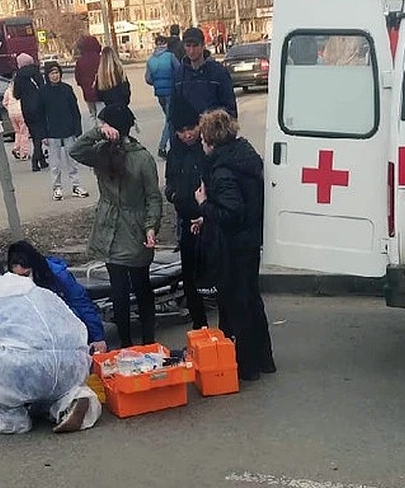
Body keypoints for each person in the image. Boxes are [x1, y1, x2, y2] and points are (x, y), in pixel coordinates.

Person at [0, 268, 102, 434]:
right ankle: (69, 400)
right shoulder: (39, 292)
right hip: (72, 366)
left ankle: (11, 419)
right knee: (49, 383)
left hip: (25, 368)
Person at [69, 104, 162, 348]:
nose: (100, 127)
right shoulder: (101, 151)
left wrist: (151, 226)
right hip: (109, 228)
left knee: (141, 287)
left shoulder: (142, 158)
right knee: (119, 291)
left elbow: (153, 196)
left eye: (103, 123)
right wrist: (99, 133)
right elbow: (75, 150)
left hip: (134, 229)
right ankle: (126, 343)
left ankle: (149, 340)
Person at [194, 109, 274, 381]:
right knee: (251, 299)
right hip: (249, 240)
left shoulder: (223, 169)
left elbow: (230, 212)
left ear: (211, 140)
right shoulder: (245, 157)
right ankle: (264, 360)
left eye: (203, 139)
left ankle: (247, 365)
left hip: (232, 245)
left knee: (237, 304)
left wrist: (204, 205)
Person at [5, 241, 106, 352]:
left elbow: (81, 303)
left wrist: (98, 338)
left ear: (35, 267)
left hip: (63, 321)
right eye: (18, 276)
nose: (23, 280)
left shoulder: (58, 275)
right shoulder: (10, 281)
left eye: (26, 274)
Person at [163, 95, 210, 330]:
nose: (187, 135)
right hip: (186, 220)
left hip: (209, 219)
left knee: (213, 273)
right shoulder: (175, 152)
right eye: (181, 131)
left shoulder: (207, 148)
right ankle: (198, 320)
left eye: (190, 129)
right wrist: (172, 195)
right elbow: (169, 182)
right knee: (190, 275)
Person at [167, 27, 237, 142]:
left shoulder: (218, 72)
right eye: (188, 46)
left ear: (203, 45)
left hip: (214, 138)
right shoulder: (179, 75)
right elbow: (173, 111)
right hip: (188, 140)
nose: (191, 50)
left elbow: (230, 107)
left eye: (195, 46)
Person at [38, 60, 89, 201]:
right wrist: (42, 134)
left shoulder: (67, 89)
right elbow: (40, 115)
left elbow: (75, 110)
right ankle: (57, 188)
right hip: (52, 132)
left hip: (68, 130)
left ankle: (76, 185)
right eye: (52, 73)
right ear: (47, 75)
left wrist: (77, 128)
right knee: (54, 163)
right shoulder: (42, 92)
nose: (55, 76)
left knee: (72, 160)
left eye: (57, 72)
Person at [144, 33, 179, 158]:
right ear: (166, 44)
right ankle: (162, 146)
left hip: (160, 94)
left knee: (170, 118)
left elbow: (148, 78)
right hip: (171, 92)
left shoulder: (151, 60)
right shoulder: (170, 57)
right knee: (170, 120)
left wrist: (157, 83)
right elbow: (179, 71)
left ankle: (174, 142)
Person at [12, 52, 47, 172]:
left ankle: (41, 160)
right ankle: (36, 160)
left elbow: (16, 95)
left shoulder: (18, 76)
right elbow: (42, 88)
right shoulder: (36, 72)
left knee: (34, 133)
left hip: (26, 108)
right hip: (39, 106)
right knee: (39, 134)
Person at [73, 34, 103, 123]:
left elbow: (78, 78)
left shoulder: (80, 61)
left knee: (93, 115)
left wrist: (85, 86)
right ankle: (103, 132)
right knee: (102, 115)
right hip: (101, 93)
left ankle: (95, 130)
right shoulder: (101, 59)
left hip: (88, 94)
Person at [2, 78, 32, 161]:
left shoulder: (8, 91)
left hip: (11, 114)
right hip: (21, 112)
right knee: (24, 133)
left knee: (17, 132)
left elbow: (4, 102)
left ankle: (16, 148)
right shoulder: (21, 90)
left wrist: (9, 108)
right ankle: (24, 152)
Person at [95, 46, 131, 112]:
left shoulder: (100, 75)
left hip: (109, 110)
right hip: (122, 108)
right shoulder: (120, 72)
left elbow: (99, 95)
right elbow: (126, 91)